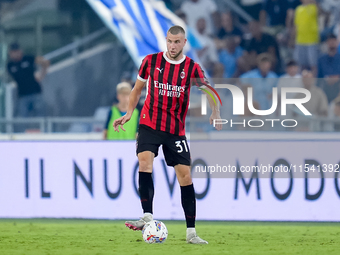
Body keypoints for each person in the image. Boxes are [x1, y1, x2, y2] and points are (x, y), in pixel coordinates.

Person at [113, 25, 222, 244]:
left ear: (184, 43)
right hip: (150, 123)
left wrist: (215, 111)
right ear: (166, 40)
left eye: (177, 42)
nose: (172, 46)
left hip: (175, 130)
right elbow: (136, 90)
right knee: (145, 161)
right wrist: (129, 113)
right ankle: (147, 216)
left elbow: (209, 90)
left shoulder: (192, 67)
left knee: (185, 176)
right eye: (169, 41)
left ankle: (191, 232)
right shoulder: (150, 62)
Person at [7, 43, 50, 117]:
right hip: (22, 95)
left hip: (35, 92)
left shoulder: (28, 59)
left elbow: (45, 61)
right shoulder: (10, 65)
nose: (15, 54)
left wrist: (42, 74)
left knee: (41, 117)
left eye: (16, 51)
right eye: (12, 52)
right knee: (22, 118)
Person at [293, 0, 319, 75]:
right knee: (300, 64)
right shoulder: (298, 9)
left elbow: (320, 13)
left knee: (313, 64)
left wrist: (313, 2)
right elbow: (296, 25)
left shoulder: (314, 7)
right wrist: (293, 39)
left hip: (312, 40)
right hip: (300, 40)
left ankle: (314, 83)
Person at [318, 34, 340, 104]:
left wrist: (337, 77)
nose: (332, 44)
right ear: (327, 43)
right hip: (326, 87)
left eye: (333, 42)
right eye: (330, 42)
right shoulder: (321, 59)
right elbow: (319, 77)